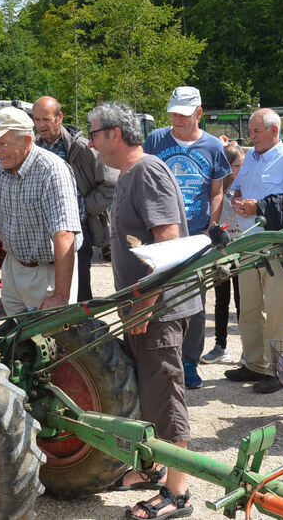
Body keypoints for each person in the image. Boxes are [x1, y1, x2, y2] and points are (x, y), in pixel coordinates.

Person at [87, 101, 197, 520]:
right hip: (146, 308)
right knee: (148, 392)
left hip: (160, 308)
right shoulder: (130, 174)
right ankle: (151, 469)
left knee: (166, 395)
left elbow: (167, 243)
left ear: (114, 134)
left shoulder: (147, 171)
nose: (92, 143)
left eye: (95, 134)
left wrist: (145, 306)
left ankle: (179, 492)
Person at [143, 86, 230, 390]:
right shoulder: (155, 140)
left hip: (196, 235)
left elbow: (216, 191)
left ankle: (189, 361)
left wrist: (211, 228)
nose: (175, 118)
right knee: (157, 295)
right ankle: (159, 358)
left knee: (194, 300)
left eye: (182, 113)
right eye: (173, 112)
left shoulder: (213, 148)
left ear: (199, 113)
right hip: (159, 233)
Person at [0, 107, 81, 315]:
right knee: (16, 342)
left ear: (27, 140)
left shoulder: (52, 170)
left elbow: (65, 234)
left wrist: (60, 296)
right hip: (13, 269)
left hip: (48, 274)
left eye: (3, 144)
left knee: (50, 342)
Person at [227, 108, 283, 393]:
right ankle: (254, 363)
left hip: (277, 246)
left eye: (256, 132)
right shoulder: (251, 157)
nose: (251, 137)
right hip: (248, 243)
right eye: (251, 131)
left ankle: (277, 371)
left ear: (274, 131)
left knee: (276, 310)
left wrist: (261, 207)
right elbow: (238, 188)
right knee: (249, 306)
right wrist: (238, 200)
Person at [33, 96, 117, 300]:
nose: (41, 125)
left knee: (79, 292)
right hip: (43, 232)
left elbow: (112, 184)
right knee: (45, 290)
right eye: (36, 120)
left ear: (59, 117)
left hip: (78, 230)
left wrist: (84, 208)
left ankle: (84, 328)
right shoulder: (32, 148)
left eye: (46, 119)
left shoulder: (81, 148)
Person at [201, 142, 245, 365]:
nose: (238, 170)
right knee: (221, 300)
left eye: (241, 166)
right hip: (221, 250)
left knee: (243, 300)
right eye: (235, 166)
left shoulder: (247, 187)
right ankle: (220, 346)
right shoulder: (217, 190)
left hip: (243, 249)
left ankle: (248, 348)